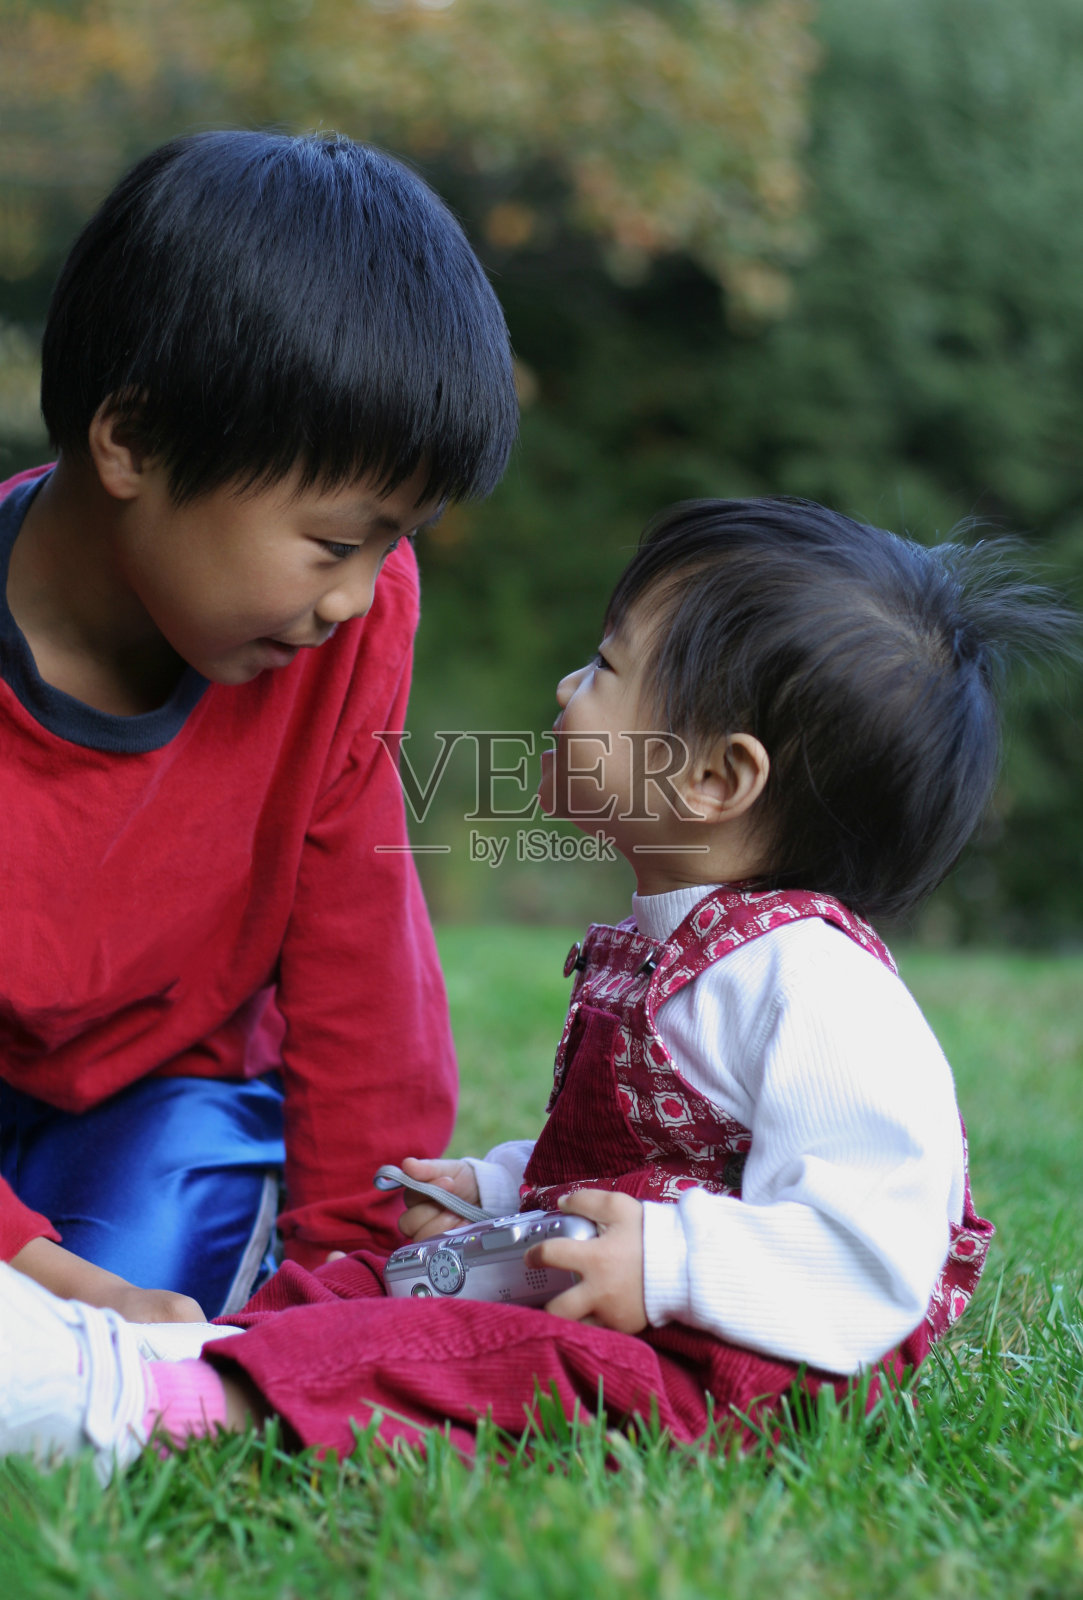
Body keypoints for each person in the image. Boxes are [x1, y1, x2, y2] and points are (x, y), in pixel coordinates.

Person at [0, 496, 1074, 1480]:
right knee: (369, 1286)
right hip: (629, 1311)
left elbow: (876, 1242)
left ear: (714, 779)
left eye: (606, 668)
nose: (568, 687)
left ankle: (153, 1404)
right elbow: (651, 1166)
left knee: (465, 1358)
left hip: (710, 1370)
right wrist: (503, 1191)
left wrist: (669, 1263)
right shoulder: (673, 947)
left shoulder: (811, 981)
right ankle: (175, 1345)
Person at [0, 130, 518, 1323]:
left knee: (156, 1299)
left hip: (156, 1101)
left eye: (399, 539)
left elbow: (360, 955)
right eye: (336, 543)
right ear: (129, 439)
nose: (359, 592)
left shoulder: (351, 627)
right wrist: (43, 1279)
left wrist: (343, 1276)